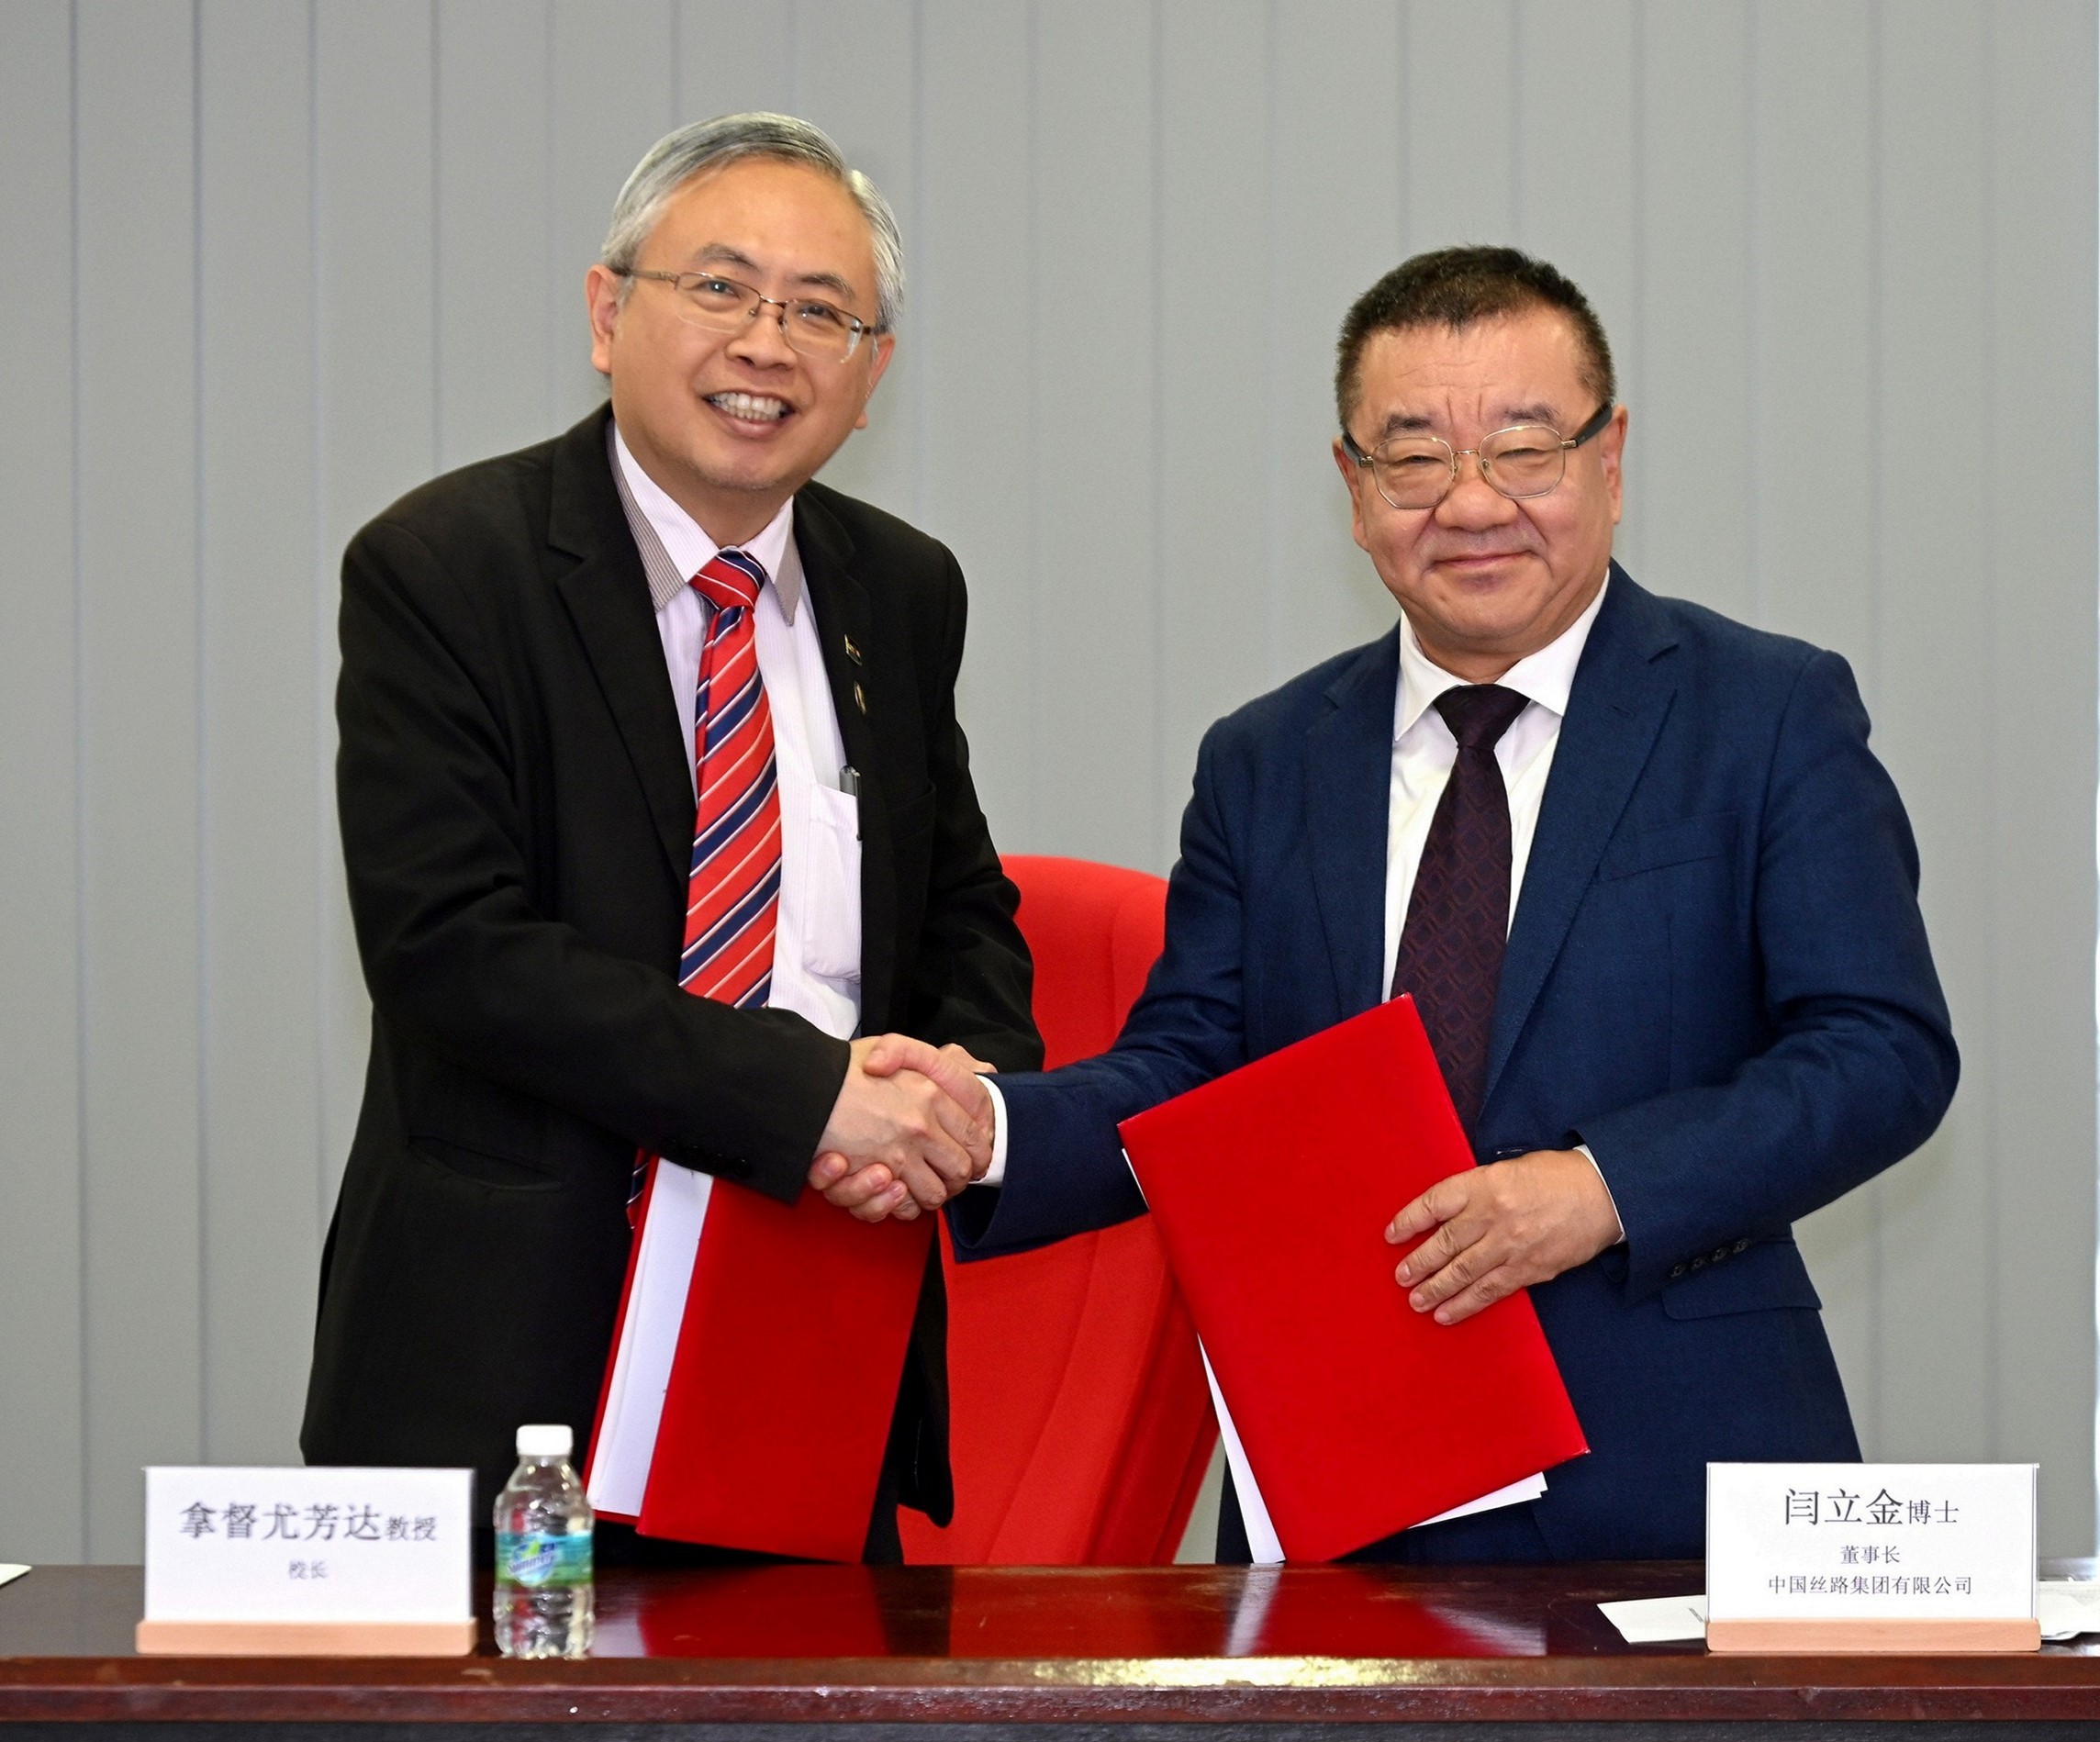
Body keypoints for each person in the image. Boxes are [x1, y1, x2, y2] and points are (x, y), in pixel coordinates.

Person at [822, 246, 1959, 1563]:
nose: (1470, 502)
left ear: (1610, 457)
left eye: (1524, 446)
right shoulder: (1268, 758)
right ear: (1352, 491)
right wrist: (984, 1127)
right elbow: (1190, 1074)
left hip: (1676, 1471)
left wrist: (1600, 1189)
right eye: (1412, 456)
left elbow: (1877, 1052)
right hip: (1347, 1483)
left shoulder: (1761, 714)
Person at [299, 113, 1039, 1563]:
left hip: (811, 1322)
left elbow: (960, 910)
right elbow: (451, 947)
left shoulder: (899, 589)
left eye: (821, 312)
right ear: (606, 312)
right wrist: (807, 1099)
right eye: (720, 288)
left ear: (871, 373)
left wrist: (952, 1098)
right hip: (510, 1362)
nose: (767, 343)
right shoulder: (447, 567)